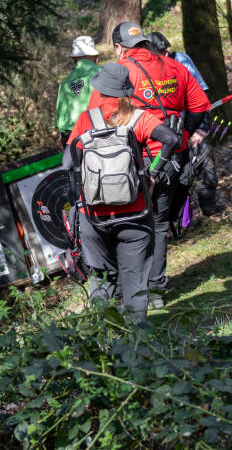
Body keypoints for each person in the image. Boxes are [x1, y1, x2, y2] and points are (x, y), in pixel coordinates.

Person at [90, 22, 210, 308]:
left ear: (119, 47)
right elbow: (200, 105)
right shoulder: (174, 66)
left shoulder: (119, 73)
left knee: (124, 224)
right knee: (157, 225)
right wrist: (182, 134)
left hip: (129, 161)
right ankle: (155, 291)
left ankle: (127, 291)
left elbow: (97, 116)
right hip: (171, 157)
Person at [64, 63, 179, 321]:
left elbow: (67, 162)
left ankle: (104, 337)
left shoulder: (86, 119)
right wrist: (154, 174)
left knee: (101, 278)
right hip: (135, 212)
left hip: (93, 215)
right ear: (127, 91)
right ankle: (137, 340)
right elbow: (172, 139)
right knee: (135, 280)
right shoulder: (138, 117)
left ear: (100, 90)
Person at [148, 31, 222, 218]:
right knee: (174, 176)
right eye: (160, 52)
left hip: (190, 126)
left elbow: (202, 97)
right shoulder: (147, 69)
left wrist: (201, 129)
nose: (165, 54)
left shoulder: (181, 60)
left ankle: (209, 208)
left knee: (205, 161)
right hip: (166, 133)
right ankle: (177, 217)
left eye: (166, 50)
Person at [56, 36, 101, 143]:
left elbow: (60, 122)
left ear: (74, 59)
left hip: (72, 139)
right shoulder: (104, 74)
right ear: (96, 57)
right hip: (99, 135)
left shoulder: (65, 83)